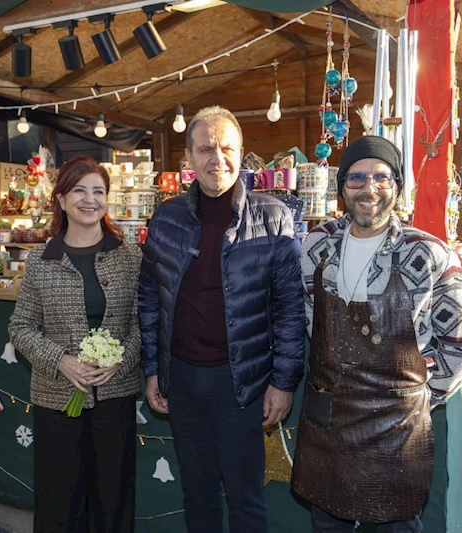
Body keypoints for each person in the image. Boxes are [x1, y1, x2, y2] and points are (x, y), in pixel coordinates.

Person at [292, 136, 462, 532]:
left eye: (381, 177)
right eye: (356, 177)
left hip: (397, 433)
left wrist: (419, 399)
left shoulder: (429, 254)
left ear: (396, 185)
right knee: (328, 523)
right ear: (342, 185)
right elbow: (309, 322)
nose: (369, 189)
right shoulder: (316, 246)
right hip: (329, 426)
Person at [138, 105, 305, 533]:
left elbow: (290, 309)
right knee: (198, 493)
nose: (218, 158)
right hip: (183, 383)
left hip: (242, 385)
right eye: (206, 148)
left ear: (242, 153)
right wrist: (155, 370)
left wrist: (283, 383)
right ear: (189, 159)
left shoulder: (274, 217)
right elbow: (150, 298)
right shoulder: (167, 217)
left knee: (246, 499)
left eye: (227, 147)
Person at [8, 156, 142, 533]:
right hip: (55, 400)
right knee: (59, 502)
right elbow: (20, 327)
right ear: (62, 199)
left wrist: (121, 362)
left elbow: (144, 324)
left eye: (98, 191)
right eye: (79, 190)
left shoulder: (130, 257)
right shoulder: (41, 260)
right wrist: (61, 361)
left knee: (113, 499)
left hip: (114, 398)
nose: (90, 199)